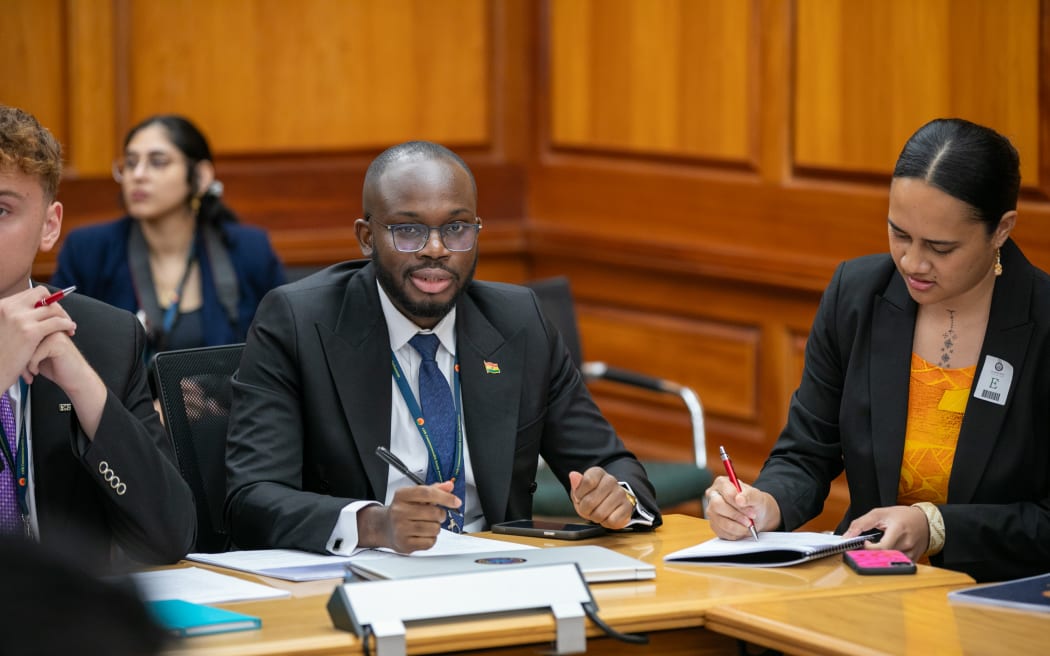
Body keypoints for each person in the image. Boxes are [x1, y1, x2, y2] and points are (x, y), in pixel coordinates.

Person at [225, 140, 660, 555]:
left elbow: (613, 465)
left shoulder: (519, 321)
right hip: (360, 574)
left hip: (497, 569)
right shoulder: (299, 322)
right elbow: (251, 497)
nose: (436, 250)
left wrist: (615, 497)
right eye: (408, 231)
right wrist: (375, 525)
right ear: (366, 237)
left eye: (456, 229)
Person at [704, 118, 1050, 582]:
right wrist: (766, 504)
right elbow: (806, 454)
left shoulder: (1042, 323)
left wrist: (938, 527)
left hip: (1001, 597)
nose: (912, 262)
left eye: (940, 247)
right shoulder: (857, 296)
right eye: (899, 234)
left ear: (1001, 230)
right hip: (868, 583)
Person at [0, 104, 195, 568]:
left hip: (64, 622)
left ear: (49, 226)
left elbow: (169, 537)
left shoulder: (103, 337)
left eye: (0, 208)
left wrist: (85, 386)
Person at [51, 114, 286, 360]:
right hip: (117, 399)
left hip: (224, 399)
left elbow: (278, 353)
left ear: (201, 176)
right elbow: (63, 351)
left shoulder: (249, 251)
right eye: (130, 163)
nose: (138, 175)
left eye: (158, 162)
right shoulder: (88, 251)